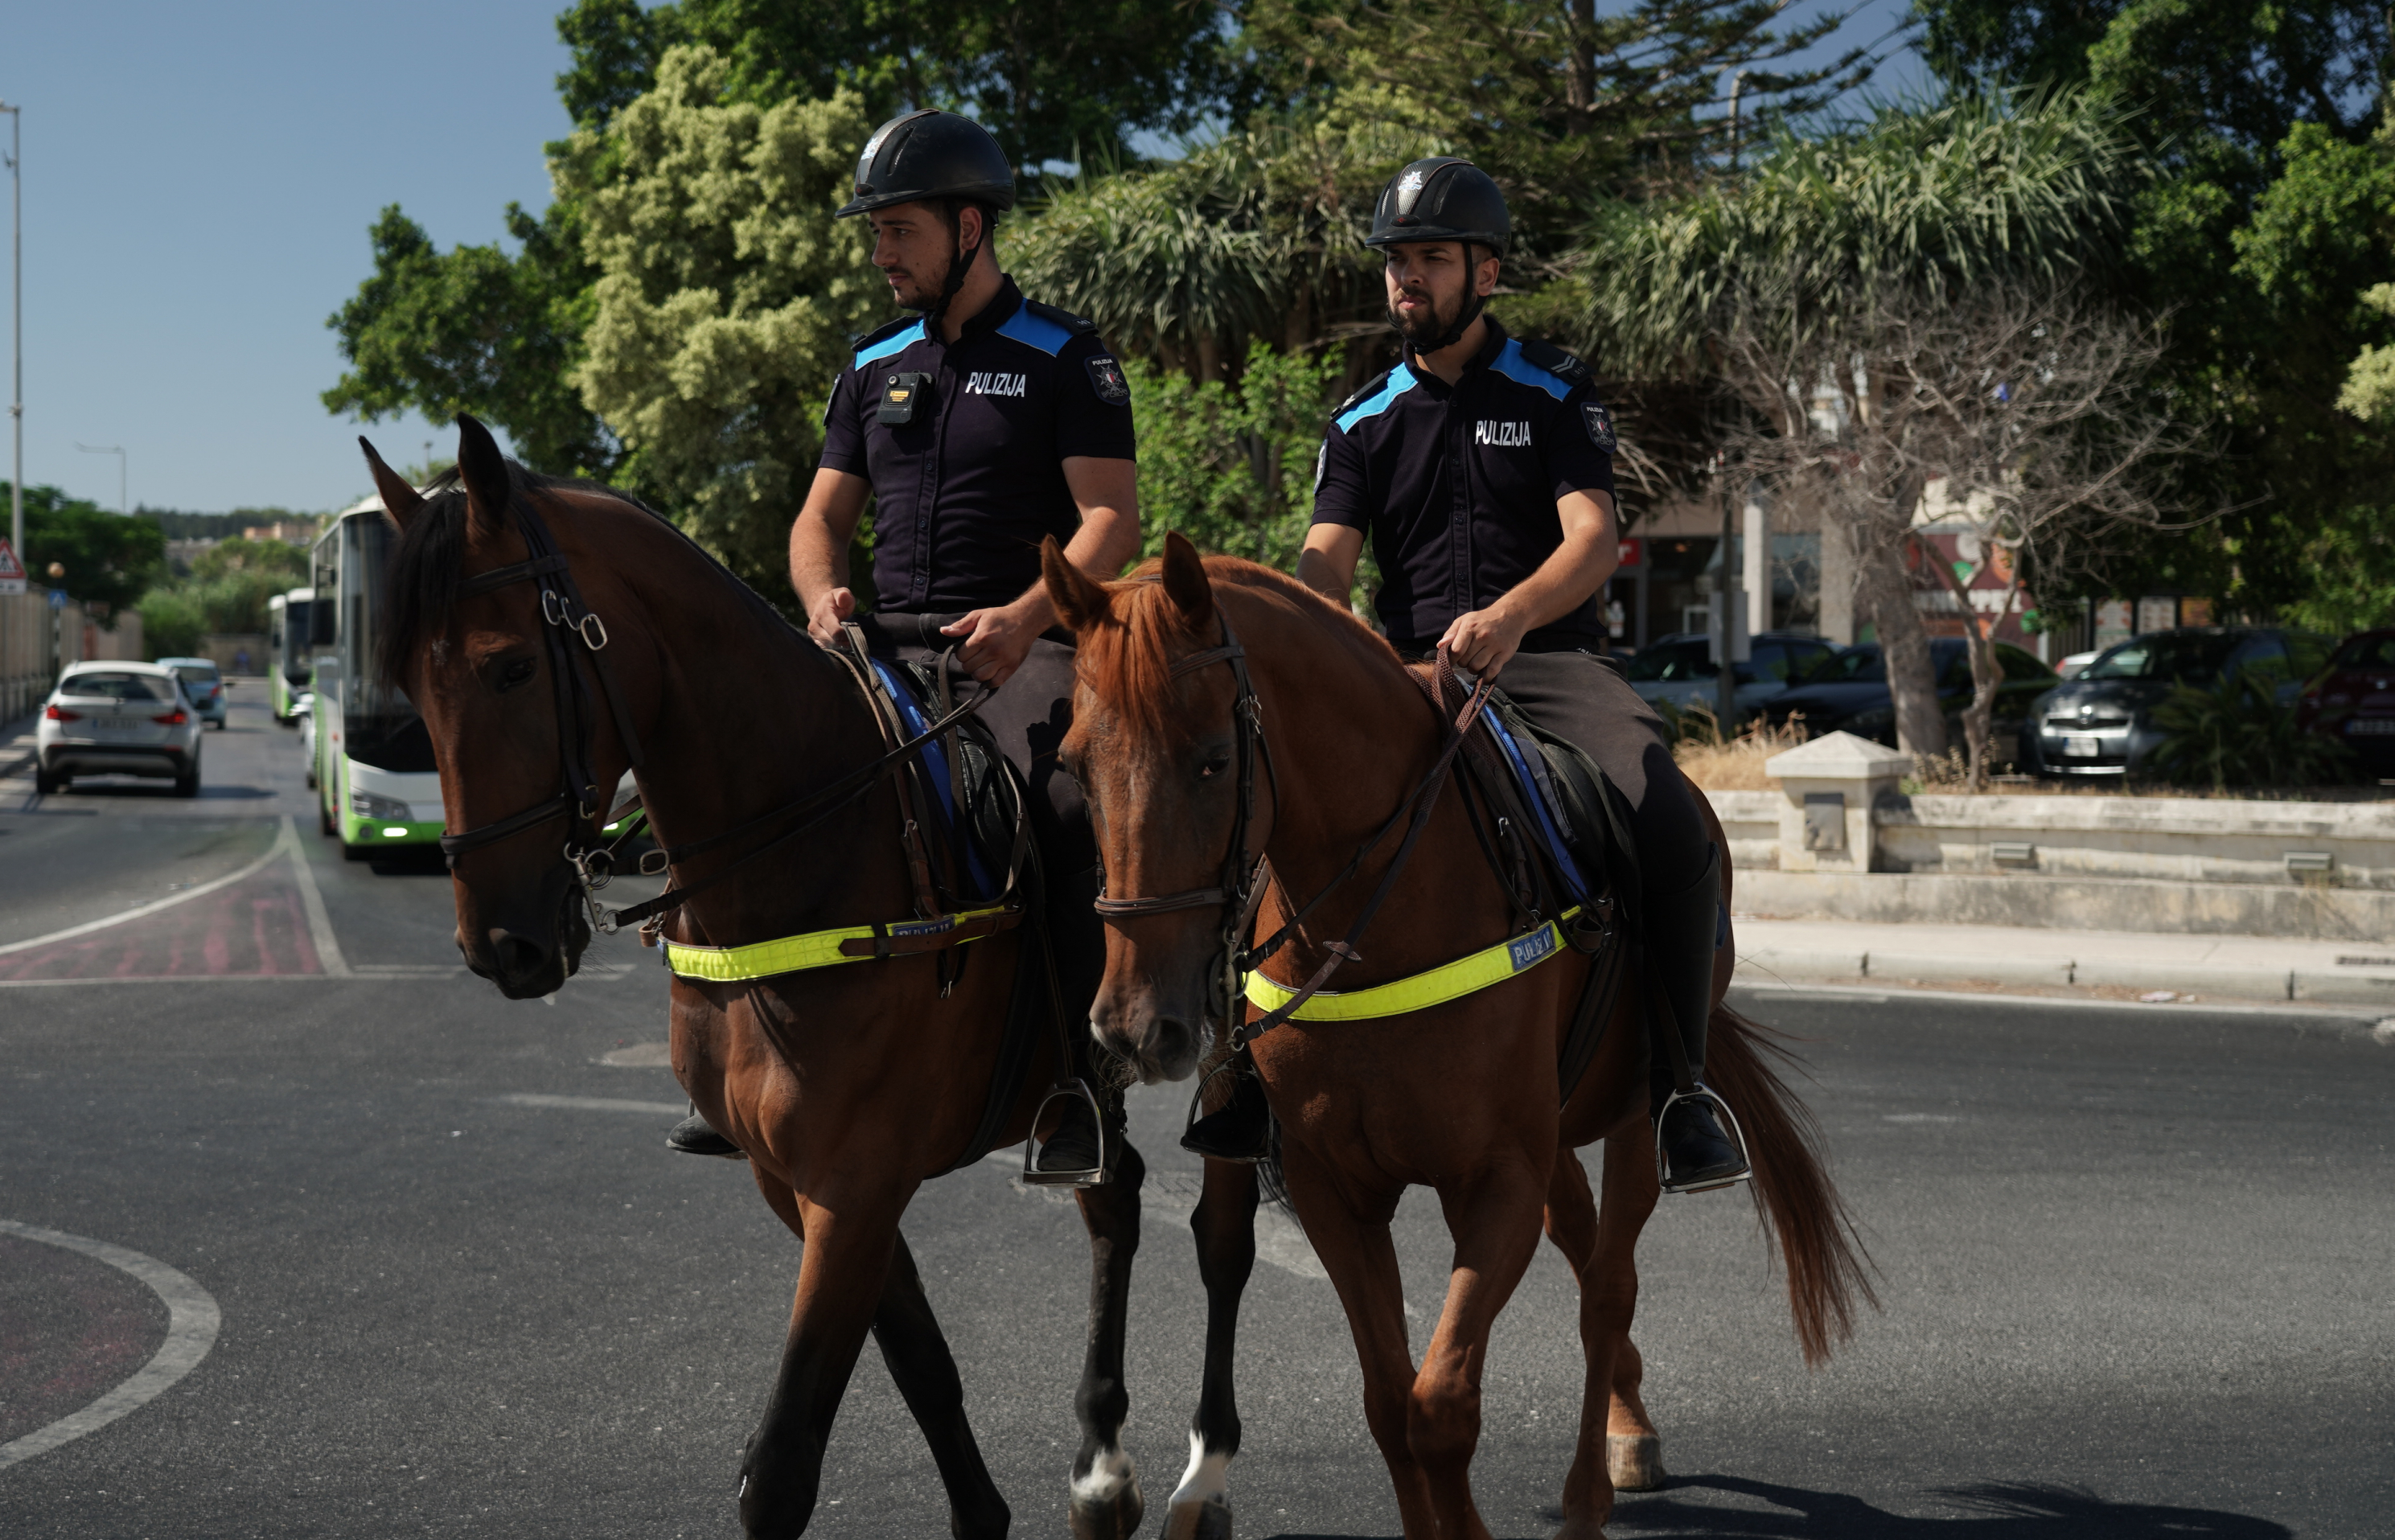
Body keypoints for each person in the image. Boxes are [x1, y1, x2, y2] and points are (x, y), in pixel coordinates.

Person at [1185, 155, 1750, 1193]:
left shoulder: (1554, 389)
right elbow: (1325, 562)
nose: (1408, 280)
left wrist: (1509, 616)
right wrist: (1318, 636)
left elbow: (1592, 537)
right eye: (1398, 262)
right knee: (1248, 826)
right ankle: (1243, 1078)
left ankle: (1682, 1090)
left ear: (1484, 273)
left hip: (1547, 663)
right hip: (1401, 674)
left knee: (1662, 814)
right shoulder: (1359, 419)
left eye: (1431, 260)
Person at [665, 108, 1139, 1185]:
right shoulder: (870, 364)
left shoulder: (1067, 356)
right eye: (875, 234)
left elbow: (1110, 522)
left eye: (898, 232)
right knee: (736, 787)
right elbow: (816, 521)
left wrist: (1026, 620)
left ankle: (1078, 1082)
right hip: (877, 652)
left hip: (1020, 650)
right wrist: (822, 592)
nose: (880, 255)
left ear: (969, 227)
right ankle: (721, 1060)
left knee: (1069, 807)